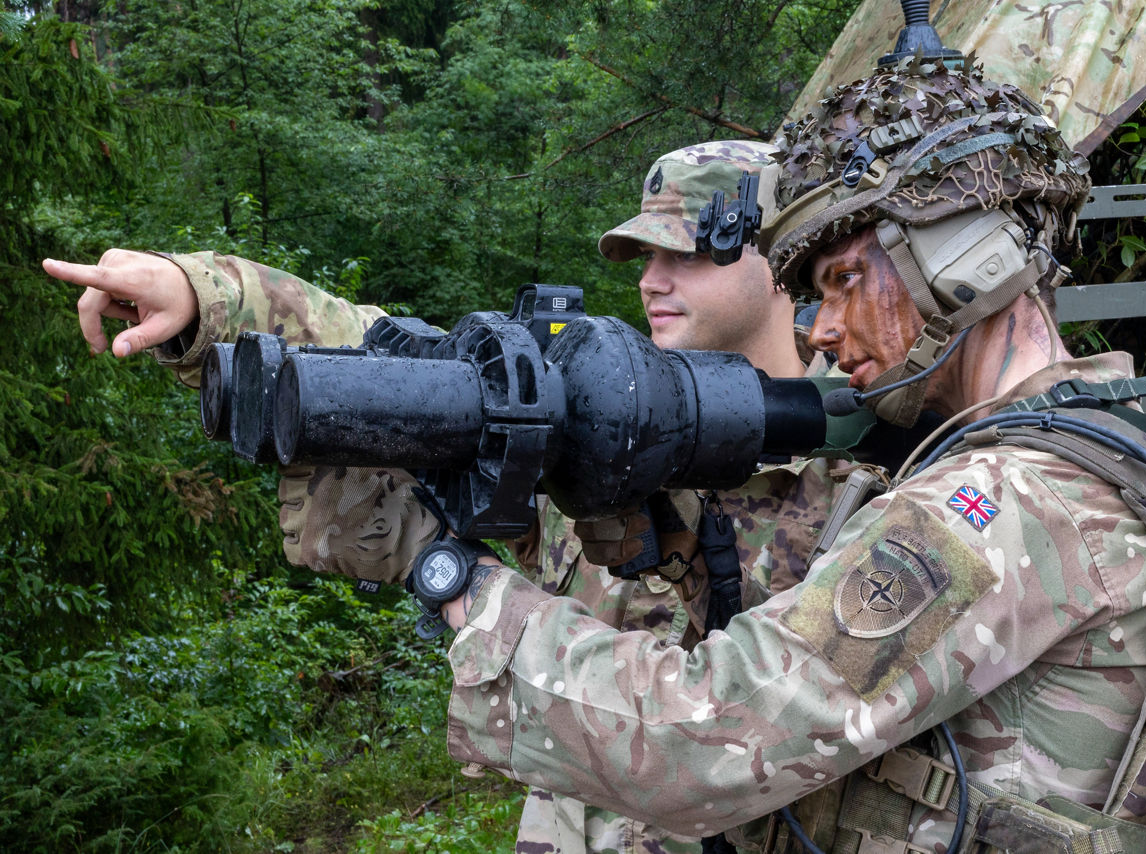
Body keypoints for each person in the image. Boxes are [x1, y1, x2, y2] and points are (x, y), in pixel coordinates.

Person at [425, 61, 1146, 852]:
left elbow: (705, 740)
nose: (821, 327)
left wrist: (466, 591)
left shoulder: (999, 506)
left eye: (845, 280)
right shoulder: (1125, 449)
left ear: (962, 260)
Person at [45, 141, 852, 854]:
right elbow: (390, 357)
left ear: (784, 258)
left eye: (687, 254)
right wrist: (203, 298)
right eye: (642, 258)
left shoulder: (873, 484)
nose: (652, 282)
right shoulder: (593, 418)